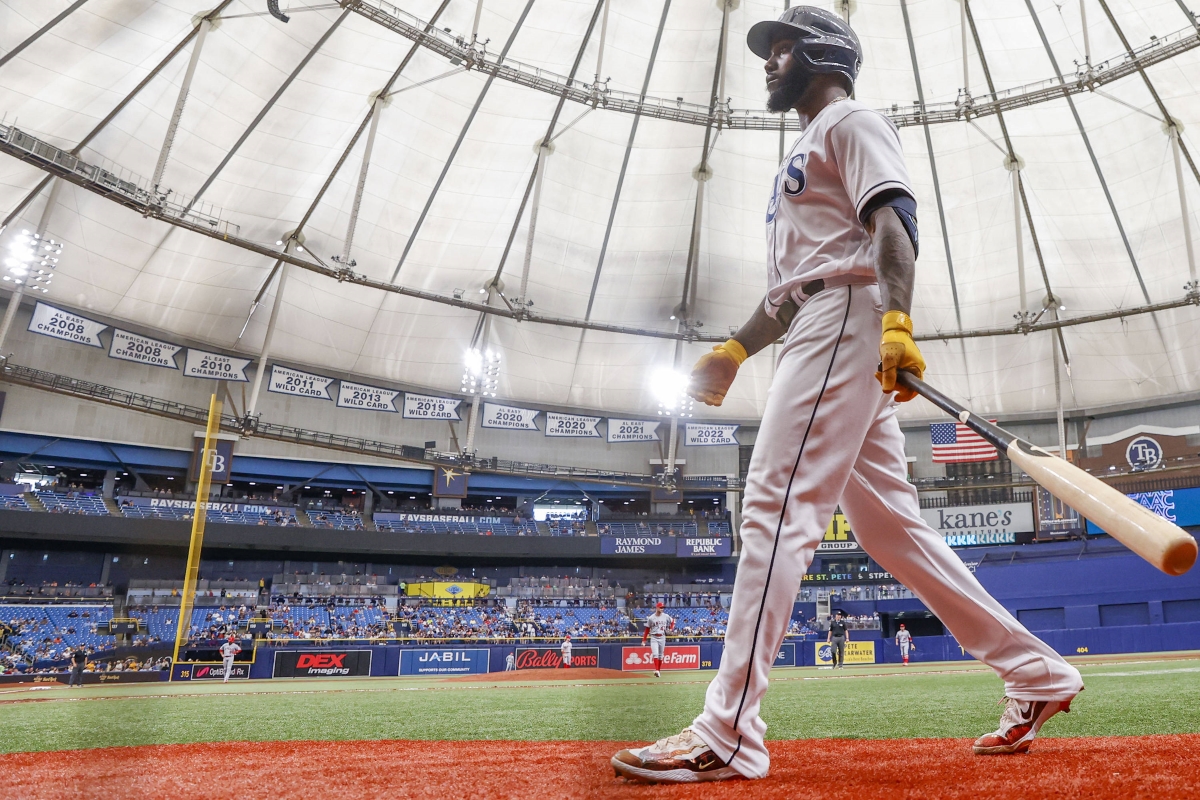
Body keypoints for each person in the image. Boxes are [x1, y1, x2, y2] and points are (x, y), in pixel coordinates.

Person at [611, 7, 1082, 784]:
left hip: (847, 318)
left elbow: (892, 220)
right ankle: (1035, 671)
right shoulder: (805, 143)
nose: (768, 60)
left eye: (783, 46)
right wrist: (735, 350)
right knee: (891, 530)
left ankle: (727, 730)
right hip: (821, 318)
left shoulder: (850, 119)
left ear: (825, 53)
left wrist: (895, 320)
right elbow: (798, 283)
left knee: (774, 505)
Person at [643, 602, 674, 678]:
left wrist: (671, 628)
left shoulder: (665, 616)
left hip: (662, 637)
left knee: (660, 656)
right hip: (654, 637)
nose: (662, 609)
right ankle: (657, 670)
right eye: (660, 607)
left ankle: (658, 671)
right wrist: (644, 640)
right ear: (657, 608)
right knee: (655, 654)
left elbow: (672, 621)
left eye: (663, 607)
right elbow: (647, 629)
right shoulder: (651, 618)